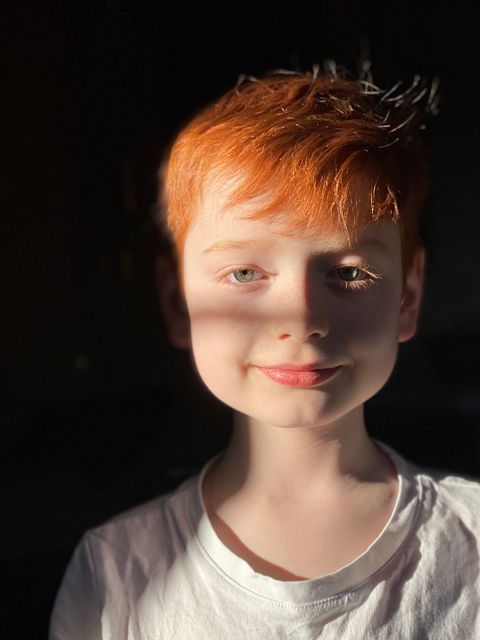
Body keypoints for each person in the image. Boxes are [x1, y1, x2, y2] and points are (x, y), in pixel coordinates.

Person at [49, 66, 480, 639]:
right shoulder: (116, 573)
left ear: (408, 295)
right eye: (245, 273)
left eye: (349, 273)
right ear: (178, 302)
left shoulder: (472, 547)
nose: (300, 321)